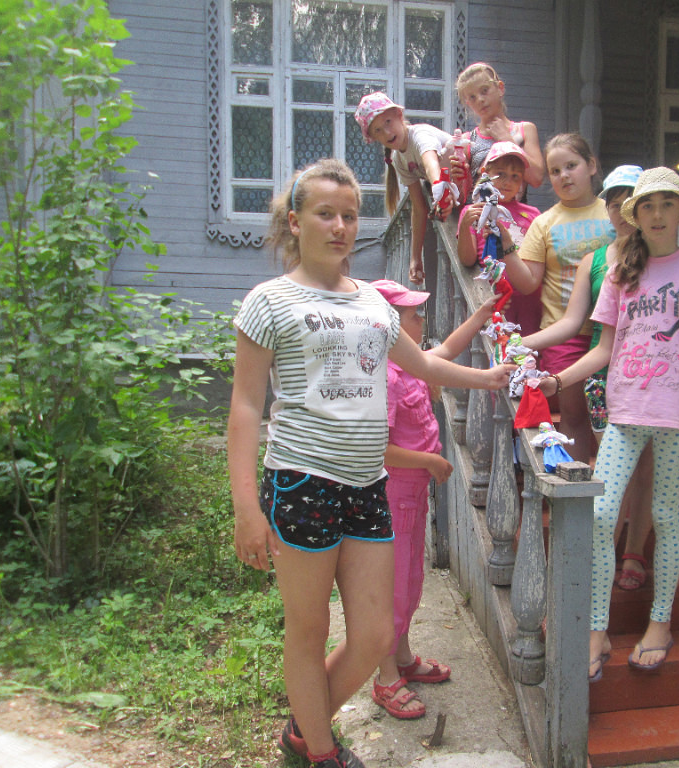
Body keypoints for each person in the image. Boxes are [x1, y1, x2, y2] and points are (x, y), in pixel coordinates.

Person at [228, 159, 513, 768]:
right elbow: (246, 408)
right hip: (301, 482)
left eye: (350, 216)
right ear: (294, 221)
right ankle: (321, 753)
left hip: (366, 485)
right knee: (308, 629)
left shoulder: (375, 305)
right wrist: (246, 508)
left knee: (376, 635)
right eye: (325, 214)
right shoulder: (269, 301)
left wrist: (489, 378)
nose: (340, 227)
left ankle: (303, 731)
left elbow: (425, 364)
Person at [535, 167, 679, 682]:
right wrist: (556, 381)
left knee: (665, 517)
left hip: (675, 417)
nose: (657, 214)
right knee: (602, 516)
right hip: (624, 412)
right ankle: (597, 629)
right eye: (647, 206)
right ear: (635, 216)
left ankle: (659, 625)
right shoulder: (620, 274)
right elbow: (603, 348)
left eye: (667, 204)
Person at [368, 279, 499, 720]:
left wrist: (479, 317)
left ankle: (403, 657)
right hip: (395, 494)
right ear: (386, 326)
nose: (422, 320)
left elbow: (445, 353)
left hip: (413, 494)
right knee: (393, 586)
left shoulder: (411, 364)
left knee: (409, 579)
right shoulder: (383, 377)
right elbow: (378, 449)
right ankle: (386, 676)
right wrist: (430, 461)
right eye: (413, 314)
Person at [519, 165, 653, 590]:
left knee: (646, 466)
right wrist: (522, 343)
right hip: (601, 376)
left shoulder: (663, 260)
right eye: (614, 204)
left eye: (630, 203)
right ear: (607, 210)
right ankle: (600, 559)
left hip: (652, 375)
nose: (621, 212)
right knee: (612, 466)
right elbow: (572, 321)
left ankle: (633, 550)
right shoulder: (594, 261)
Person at [499, 133, 615, 460]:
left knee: (613, 416)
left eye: (571, 166)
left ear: (591, 166)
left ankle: (614, 481)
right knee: (575, 415)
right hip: (564, 332)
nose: (564, 175)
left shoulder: (614, 213)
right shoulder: (544, 223)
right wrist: (507, 244)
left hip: (613, 330)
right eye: (554, 171)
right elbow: (528, 283)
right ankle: (578, 481)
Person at [355, 91, 455, 287]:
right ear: (374, 138)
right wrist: (415, 257)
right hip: (455, 194)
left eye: (388, 122)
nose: (386, 133)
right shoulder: (399, 159)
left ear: (399, 115)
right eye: (378, 130)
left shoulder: (419, 136)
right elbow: (418, 207)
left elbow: (430, 163)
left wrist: (439, 190)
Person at [457, 141, 542, 336]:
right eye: (500, 174)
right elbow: (467, 259)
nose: (507, 182)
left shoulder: (533, 214)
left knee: (529, 346)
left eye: (515, 176)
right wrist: (464, 227)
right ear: (486, 173)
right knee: (498, 345)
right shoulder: (474, 211)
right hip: (494, 295)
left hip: (529, 298)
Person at [455, 62, 544, 190]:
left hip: (515, 204)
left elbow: (537, 178)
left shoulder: (524, 130)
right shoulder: (468, 141)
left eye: (484, 91)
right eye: (472, 97)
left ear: (500, 88)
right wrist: (458, 180)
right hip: (480, 203)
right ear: (468, 103)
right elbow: (463, 196)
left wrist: (508, 141)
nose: (480, 99)